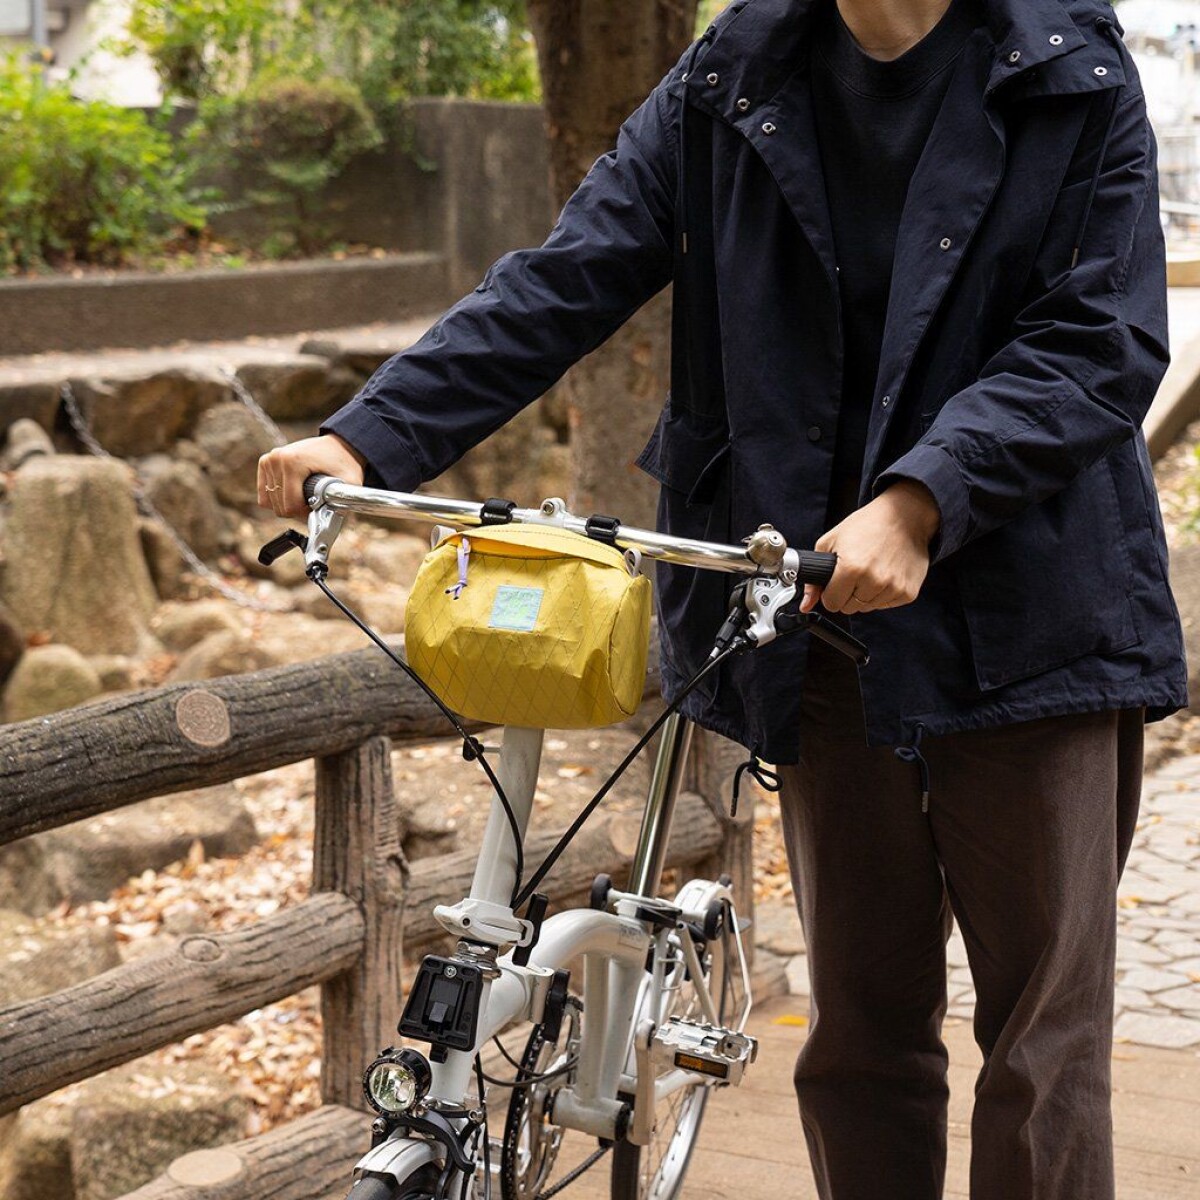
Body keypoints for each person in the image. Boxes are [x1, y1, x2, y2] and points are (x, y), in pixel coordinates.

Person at [258, 0, 1188, 1195]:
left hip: (1032, 618)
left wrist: (922, 501)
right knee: (858, 1025)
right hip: (815, 623)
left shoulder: (1070, 70)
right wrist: (370, 436)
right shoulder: (734, 73)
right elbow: (569, 274)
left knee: (1042, 1042)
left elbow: (1099, 337)